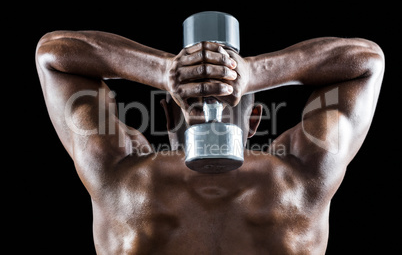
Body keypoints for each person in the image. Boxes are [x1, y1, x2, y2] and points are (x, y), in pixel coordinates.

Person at [36, 30, 384, 254]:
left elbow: (53, 56)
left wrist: (163, 70)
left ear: (168, 116)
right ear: (253, 120)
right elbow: (366, 62)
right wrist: (252, 74)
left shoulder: (118, 175)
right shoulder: (304, 176)